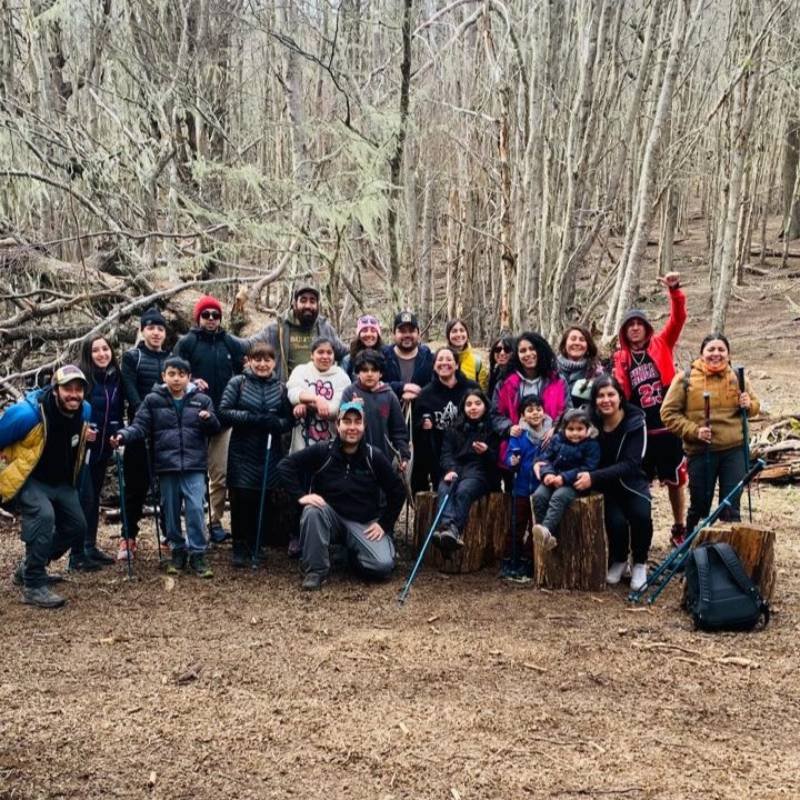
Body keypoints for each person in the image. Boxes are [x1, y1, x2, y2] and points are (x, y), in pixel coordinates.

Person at [277, 401, 406, 591]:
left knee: (382, 566)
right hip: (330, 517)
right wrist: (300, 496)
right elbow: (285, 466)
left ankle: (351, 556)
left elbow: (397, 490)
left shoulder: (374, 456)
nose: (352, 427)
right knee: (312, 510)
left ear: (364, 426)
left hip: (362, 523)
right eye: (346, 422)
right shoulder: (323, 451)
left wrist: (384, 523)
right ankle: (315, 570)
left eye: (357, 422)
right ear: (337, 425)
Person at [111, 357, 221, 578]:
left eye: (181, 374)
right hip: (166, 465)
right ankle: (177, 551)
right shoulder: (153, 400)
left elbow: (215, 428)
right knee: (170, 512)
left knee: (196, 510)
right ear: (163, 376)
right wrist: (123, 436)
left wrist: (209, 420)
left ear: (189, 377)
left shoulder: (201, 400)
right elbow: (140, 426)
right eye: (171, 374)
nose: (176, 379)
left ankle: (198, 552)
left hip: (194, 465)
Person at [0, 365, 99, 608]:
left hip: (61, 481)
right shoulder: (28, 414)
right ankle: (33, 585)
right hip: (30, 478)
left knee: (77, 526)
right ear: (55, 390)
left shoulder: (85, 410)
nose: (74, 394)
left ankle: (29, 567)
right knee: (44, 517)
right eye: (68, 389)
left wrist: (87, 437)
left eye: (79, 389)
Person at [613, 271, 688, 544]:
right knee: (639, 481)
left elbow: (678, 318)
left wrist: (674, 291)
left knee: (675, 479)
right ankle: (641, 531)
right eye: (629, 324)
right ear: (624, 330)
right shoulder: (620, 357)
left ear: (646, 327)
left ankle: (679, 527)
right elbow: (618, 391)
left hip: (668, 424)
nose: (635, 327)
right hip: (641, 429)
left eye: (639, 323)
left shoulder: (662, 343)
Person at [660, 333, 760, 533]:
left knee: (731, 506)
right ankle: (691, 551)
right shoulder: (685, 379)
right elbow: (668, 413)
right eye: (711, 349)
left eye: (721, 350)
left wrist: (749, 405)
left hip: (734, 450)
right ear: (701, 353)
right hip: (701, 450)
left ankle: (728, 556)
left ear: (729, 354)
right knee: (700, 506)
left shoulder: (738, 377)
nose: (716, 354)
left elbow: (755, 407)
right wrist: (694, 431)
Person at [174, 295, 246, 543]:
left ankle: (214, 521)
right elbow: (172, 372)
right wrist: (191, 383)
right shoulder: (187, 343)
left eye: (216, 315)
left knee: (219, 474)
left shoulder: (230, 343)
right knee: (192, 472)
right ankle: (191, 524)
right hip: (192, 417)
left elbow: (243, 372)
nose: (212, 319)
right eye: (206, 315)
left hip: (224, 419)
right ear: (198, 317)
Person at [573, 375, 653, 592]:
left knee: (641, 515)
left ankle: (639, 562)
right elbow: (568, 428)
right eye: (600, 396)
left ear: (620, 397)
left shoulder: (636, 421)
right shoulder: (589, 419)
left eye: (610, 394)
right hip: (605, 487)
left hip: (631, 481)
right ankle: (619, 559)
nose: (605, 400)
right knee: (615, 522)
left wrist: (594, 476)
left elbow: (632, 463)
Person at [219, 342, 294, 568]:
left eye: (267, 360)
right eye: (257, 360)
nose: (262, 364)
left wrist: (276, 423)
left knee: (264, 497)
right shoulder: (238, 383)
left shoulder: (280, 388)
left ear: (274, 363)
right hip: (243, 450)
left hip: (269, 452)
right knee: (242, 498)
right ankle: (239, 547)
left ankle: (257, 543)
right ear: (249, 362)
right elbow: (223, 411)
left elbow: (289, 420)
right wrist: (253, 419)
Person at [119, 306, 170, 561]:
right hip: (139, 432)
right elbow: (130, 390)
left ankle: (168, 534)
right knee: (135, 488)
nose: (156, 333)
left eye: (160, 328)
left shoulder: (171, 358)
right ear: (142, 330)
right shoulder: (132, 357)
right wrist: (145, 416)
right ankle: (128, 537)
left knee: (166, 488)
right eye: (151, 328)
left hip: (165, 433)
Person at [492, 332, 568, 476]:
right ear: (517, 355)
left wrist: (556, 428)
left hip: (551, 450)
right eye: (522, 351)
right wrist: (509, 428)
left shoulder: (557, 380)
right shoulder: (506, 383)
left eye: (532, 348)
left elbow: (567, 411)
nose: (528, 354)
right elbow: (496, 414)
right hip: (518, 452)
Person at [432, 390, 499, 552]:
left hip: (479, 471)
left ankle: (454, 530)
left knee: (463, 490)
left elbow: (497, 460)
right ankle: (447, 528)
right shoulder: (453, 429)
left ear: (485, 406)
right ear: (463, 408)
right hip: (456, 469)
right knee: (444, 488)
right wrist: (450, 470)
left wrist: (486, 451)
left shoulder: (493, 429)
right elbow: (446, 454)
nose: (473, 408)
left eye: (477, 404)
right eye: (469, 404)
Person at [78, 335, 124, 565]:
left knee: (94, 497)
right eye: (96, 350)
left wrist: (119, 432)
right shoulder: (81, 378)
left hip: (104, 447)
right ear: (89, 354)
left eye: (105, 349)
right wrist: (81, 429)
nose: (102, 354)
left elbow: (116, 412)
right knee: (83, 497)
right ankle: (77, 554)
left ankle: (89, 546)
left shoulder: (115, 378)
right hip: (81, 450)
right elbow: (65, 408)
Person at [531, 408, 601, 551]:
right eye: (571, 429)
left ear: (588, 429)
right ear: (564, 428)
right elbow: (545, 458)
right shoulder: (557, 439)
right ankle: (545, 535)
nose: (575, 433)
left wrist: (564, 478)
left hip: (574, 484)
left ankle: (546, 529)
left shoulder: (591, 445)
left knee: (558, 497)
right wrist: (547, 474)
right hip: (553, 478)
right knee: (538, 496)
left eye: (579, 429)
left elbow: (588, 467)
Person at [412, 347, 478, 491]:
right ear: (434, 366)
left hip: (468, 452)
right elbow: (415, 427)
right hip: (438, 456)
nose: (444, 363)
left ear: (456, 365)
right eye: (440, 360)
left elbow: (484, 416)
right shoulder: (425, 394)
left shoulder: (471, 389)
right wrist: (423, 424)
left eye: (449, 359)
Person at [248, 285, 347, 380]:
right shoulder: (278, 327)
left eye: (312, 301)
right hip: (286, 393)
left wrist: (341, 376)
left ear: (317, 305)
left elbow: (345, 353)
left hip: (321, 391)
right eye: (303, 300)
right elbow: (250, 345)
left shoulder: (324, 328)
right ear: (294, 303)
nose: (308, 305)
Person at [502, 394, 552, 578]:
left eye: (538, 409)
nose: (535, 413)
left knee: (536, 525)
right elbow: (508, 457)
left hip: (540, 489)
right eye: (530, 410)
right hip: (521, 487)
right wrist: (512, 461)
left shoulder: (550, 434)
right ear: (523, 415)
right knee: (517, 524)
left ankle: (529, 559)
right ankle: (510, 558)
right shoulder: (519, 435)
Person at [340, 349, 410, 465]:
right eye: (365, 370)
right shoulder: (350, 392)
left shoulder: (389, 395)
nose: (369, 374)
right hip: (353, 459)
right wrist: (351, 407)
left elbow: (399, 432)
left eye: (374, 370)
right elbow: (340, 424)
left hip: (383, 459)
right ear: (357, 373)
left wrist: (404, 456)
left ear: (381, 373)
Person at [286, 336, 351, 453]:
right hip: (301, 445)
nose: (325, 357)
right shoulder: (301, 370)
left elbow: (335, 410)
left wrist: (304, 404)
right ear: (312, 355)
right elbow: (293, 393)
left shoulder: (342, 377)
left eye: (329, 353)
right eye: (320, 352)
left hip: (331, 445)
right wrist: (317, 399)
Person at [382, 311, 434, 403]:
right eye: (402, 331)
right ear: (393, 334)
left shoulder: (428, 358)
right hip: (388, 413)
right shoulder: (383, 357)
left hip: (421, 414)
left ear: (419, 333)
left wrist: (418, 393)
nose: (407, 335)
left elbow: (436, 385)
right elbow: (373, 384)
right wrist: (402, 388)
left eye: (411, 331)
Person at [557, 325, 605, 408]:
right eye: (573, 339)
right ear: (565, 343)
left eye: (582, 340)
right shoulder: (552, 368)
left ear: (587, 346)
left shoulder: (595, 370)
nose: (577, 343)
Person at [445, 319, 489, 392]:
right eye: (454, 331)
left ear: (467, 334)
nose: (459, 334)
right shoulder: (440, 360)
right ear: (448, 335)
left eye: (462, 330)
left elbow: (482, 392)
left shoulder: (477, 362)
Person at [341, 314, 384, 379]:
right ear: (359, 334)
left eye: (373, 330)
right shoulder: (348, 361)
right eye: (364, 330)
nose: (369, 334)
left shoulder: (387, 356)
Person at [487, 334, 514, 403]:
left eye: (507, 350)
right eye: (498, 349)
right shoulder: (495, 373)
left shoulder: (516, 378)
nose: (502, 353)